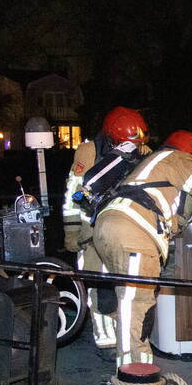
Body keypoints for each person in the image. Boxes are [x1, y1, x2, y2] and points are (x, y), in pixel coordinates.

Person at [92, 130, 192, 367]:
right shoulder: (179, 159)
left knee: (126, 298)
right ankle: (135, 376)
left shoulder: (151, 162)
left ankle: (125, 363)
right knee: (137, 304)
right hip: (134, 232)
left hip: (107, 226)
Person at [63, 106, 150, 348]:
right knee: (100, 290)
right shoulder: (89, 152)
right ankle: (106, 343)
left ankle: (129, 337)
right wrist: (71, 231)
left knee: (130, 288)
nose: (130, 149)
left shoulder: (143, 151)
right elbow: (74, 194)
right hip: (91, 235)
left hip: (128, 233)